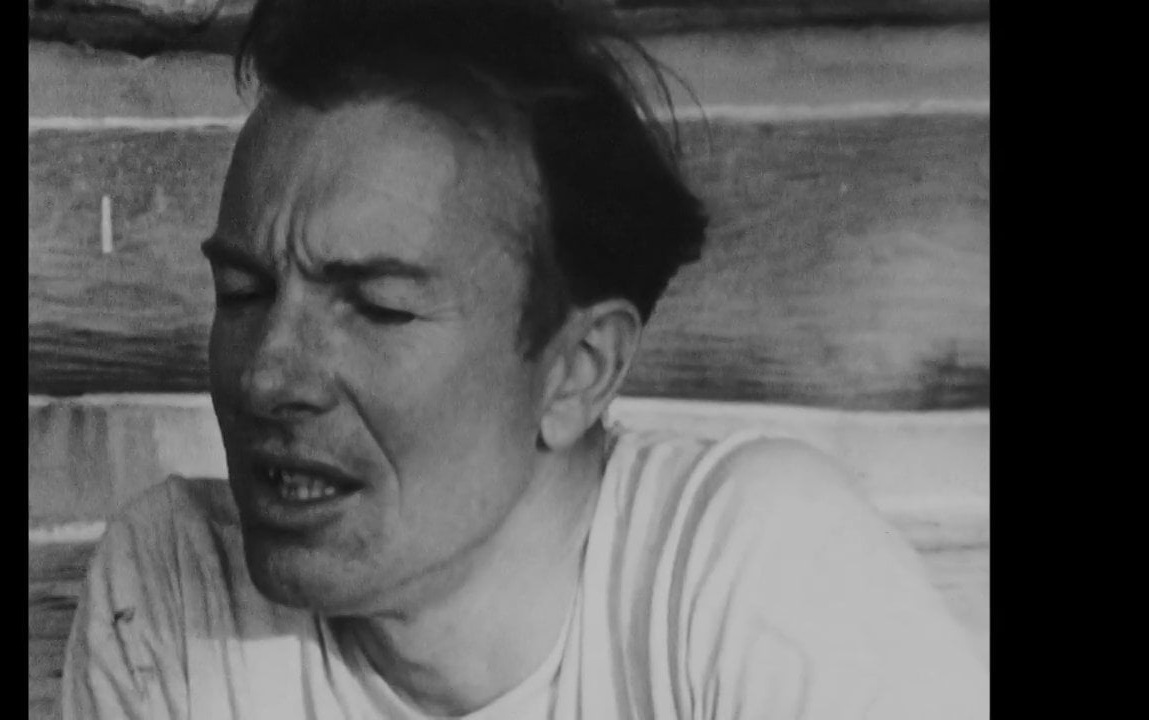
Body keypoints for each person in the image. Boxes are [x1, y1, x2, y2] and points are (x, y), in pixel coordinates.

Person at [62, 1, 989, 718]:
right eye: (242, 294)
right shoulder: (184, 586)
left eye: (379, 308)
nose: (267, 376)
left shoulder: (752, 563)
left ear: (577, 370)